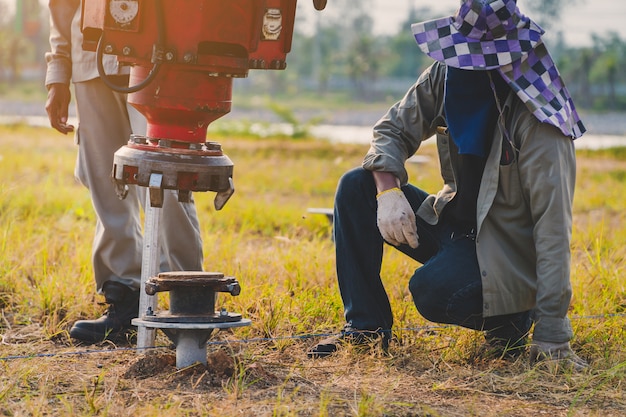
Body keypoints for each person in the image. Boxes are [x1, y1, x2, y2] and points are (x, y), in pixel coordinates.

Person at [309, 0, 587, 369]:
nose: (469, 62)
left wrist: (552, 333)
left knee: (433, 289)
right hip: (458, 230)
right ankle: (366, 331)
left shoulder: (541, 126)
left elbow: (553, 233)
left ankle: (514, 320)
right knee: (357, 186)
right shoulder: (448, 75)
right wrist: (388, 189)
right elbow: (391, 129)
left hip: (505, 257)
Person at [45, 0, 204, 343]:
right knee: (106, 183)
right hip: (92, 55)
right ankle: (124, 300)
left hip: (163, 50)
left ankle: (188, 304)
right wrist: (58, 71)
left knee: (170, 177)